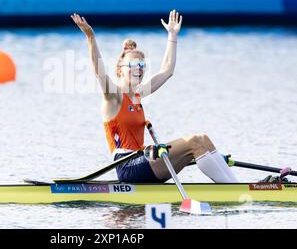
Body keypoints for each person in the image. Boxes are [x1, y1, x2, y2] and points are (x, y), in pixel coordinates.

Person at [71, 11, 238, 183]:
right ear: (120, 69)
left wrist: (172, 36)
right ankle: (233, 190)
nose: (139, 68)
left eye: (142, 65)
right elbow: (99, 73)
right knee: (195, 141)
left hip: (144, 159)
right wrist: (90, 37)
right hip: (127, 167)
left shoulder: (138, 94)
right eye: (134, 64)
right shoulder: (113, 97)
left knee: (203, 140)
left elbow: (167, 70)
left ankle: (236, 186)